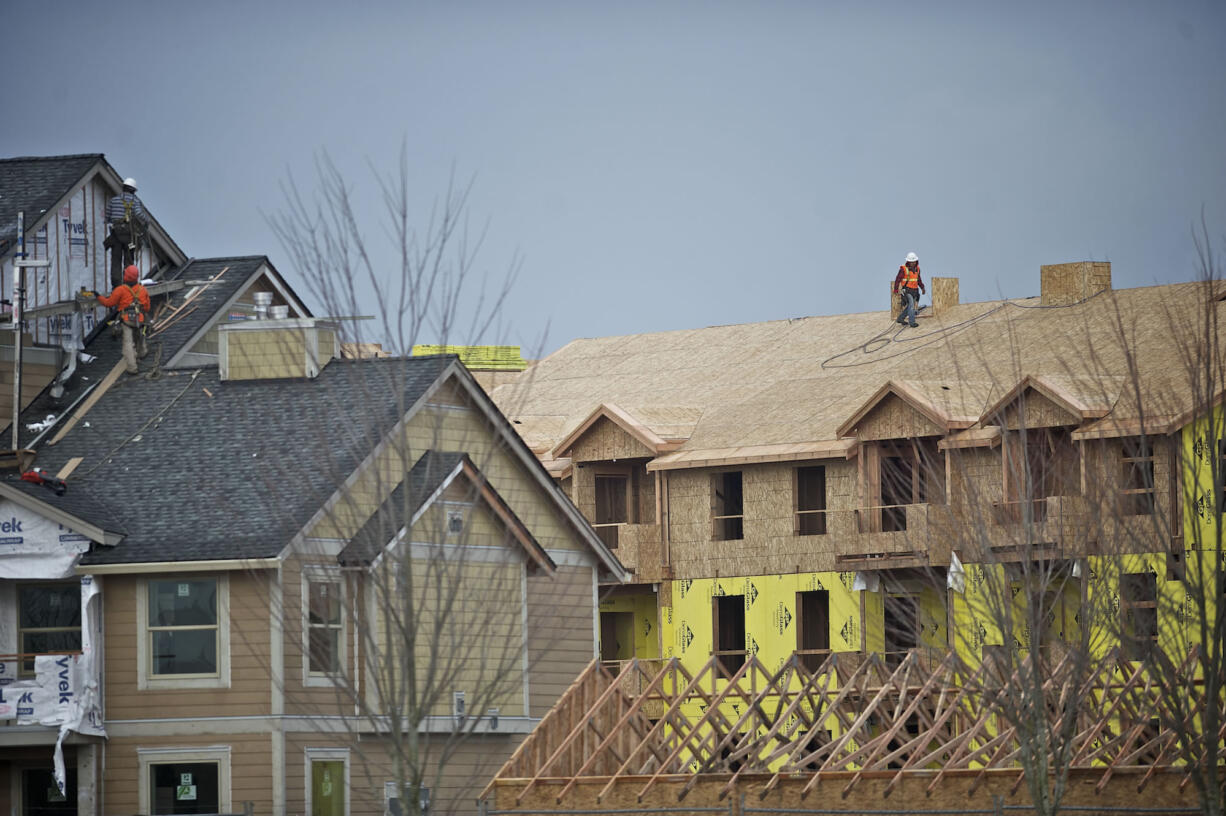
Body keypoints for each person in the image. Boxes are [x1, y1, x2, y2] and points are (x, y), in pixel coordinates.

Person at [96, 264, 150, 374]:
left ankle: (132, 367)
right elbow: (147, 307)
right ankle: (142, 353)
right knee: (140, 337)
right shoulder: (142, 290)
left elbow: (108, 303)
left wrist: (98, 296)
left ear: (126, 276)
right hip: (139, 319)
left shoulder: (120, 290)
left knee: (128, 343)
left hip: (127, 320)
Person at [104, 178, 149, 288]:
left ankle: (116, 286)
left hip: (116, 235)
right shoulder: (135, 201)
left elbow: (107, 218)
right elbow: (138, 214)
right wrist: (147, 220)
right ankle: (128, 285)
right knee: (129, 261)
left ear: (123, 188)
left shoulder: (113, 200)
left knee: (116, 261)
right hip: (129, 236)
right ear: (133, 190)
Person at [892, 251, 926, 328]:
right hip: (907, 290)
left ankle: (900, 318)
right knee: (911, 306)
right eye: (911, 262)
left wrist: (922, 288)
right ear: (908, 261)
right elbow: (897, 279)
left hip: (915, 291)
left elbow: (918, 280)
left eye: (914, 261)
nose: (912, 263)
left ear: (916, 261)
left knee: (909, 306)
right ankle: (912, 322)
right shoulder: (903, 269)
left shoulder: (917, 269)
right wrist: (896, 290)